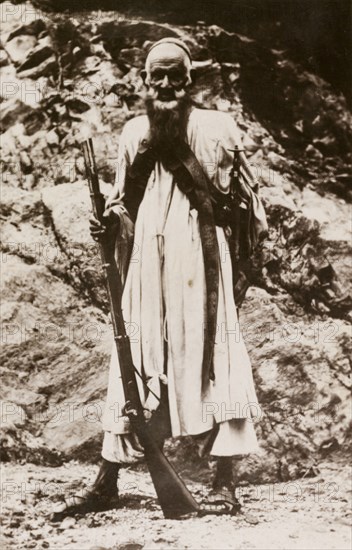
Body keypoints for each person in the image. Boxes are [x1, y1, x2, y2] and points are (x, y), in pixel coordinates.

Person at [52, 37, 267, 519]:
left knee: (217, 356)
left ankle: (225, 484)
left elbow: (249, 204)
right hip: (148, 260)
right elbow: (121, 203)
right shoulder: (133, 133)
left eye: (176, 75)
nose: (167, 84)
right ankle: (106, 481)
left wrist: (239, 255)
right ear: (145, 81)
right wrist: (107, 224)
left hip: (202, 258)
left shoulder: (218, 128)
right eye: (157, 75)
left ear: (190, 80)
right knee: (133, 356)